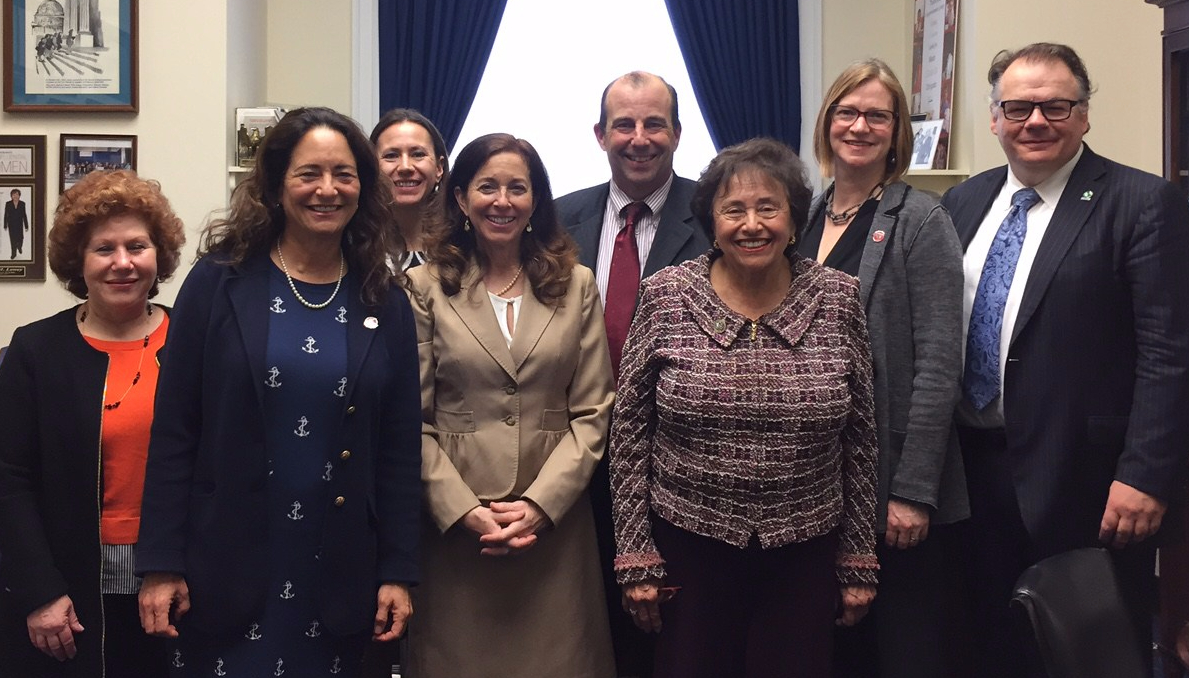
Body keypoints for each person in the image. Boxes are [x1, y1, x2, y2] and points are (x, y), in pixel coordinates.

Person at [135, 107, 423, 678]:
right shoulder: (218, 282)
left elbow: (398, 451)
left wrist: (397, 571)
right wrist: (161, 564)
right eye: (308, 173)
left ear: (363, 188)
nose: (327, 189)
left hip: (338, 574)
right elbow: (174, 429)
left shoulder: (384, 300)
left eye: (344, 174)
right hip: (224, 568)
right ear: (274, 184)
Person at [940, 43, 1189, 677]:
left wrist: (1144, 476)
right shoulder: (964, 203)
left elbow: (1170, 354)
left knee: (1086, 650)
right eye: (1018, 107)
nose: (1036, 121)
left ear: (1083, 116)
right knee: (985, 640)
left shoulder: (1142, 203)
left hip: (1086, 480)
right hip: (971, 470)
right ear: (994, 118)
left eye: (1056, 105)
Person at [611, 137, 879, 678]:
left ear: (795, 219)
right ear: (711, 220)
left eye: (768, 208)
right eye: (733, 209)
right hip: (689, 543)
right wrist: (635, 553)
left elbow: (861, 436)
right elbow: (630, 430)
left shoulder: (838, 297)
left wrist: (858, 557)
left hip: (805, 551)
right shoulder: (666, 293)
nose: (751, 224)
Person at [406, 133, 615, 678]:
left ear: (536, 200)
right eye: (487, 187)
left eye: (517, 188)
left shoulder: (577, 285)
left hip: (554, 532)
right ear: (459, 199)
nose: (502, 201)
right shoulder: (422, 287)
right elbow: (411, 420)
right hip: (458, 535)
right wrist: (463, 510)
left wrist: (541, 507)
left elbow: (593, 412)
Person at [803, 59, 969, 678]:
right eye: (847, 112)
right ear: (827, 122)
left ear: (897, 130)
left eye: (877, 115)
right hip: (821, 474)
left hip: (891, 481)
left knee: (900, 648)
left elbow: (938, 364)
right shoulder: (805, 216)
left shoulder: (921, 220)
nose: (860, 126)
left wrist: (914, 490)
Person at [0, 169, 186, 677]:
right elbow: (9, 480)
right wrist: (39, 592)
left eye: (137, 246)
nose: (122, 263)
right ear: (77, 262)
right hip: (66, 591)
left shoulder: (195, 341)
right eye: (104, 249)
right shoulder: (34, 350)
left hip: (178, 583)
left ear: (159, 255)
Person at [554, 69, 709, 677]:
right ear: (600, 134)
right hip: (576, 454)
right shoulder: (558, 220)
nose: (639, 138)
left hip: (683, 463)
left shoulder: (717, 214)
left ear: (676, 133)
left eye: (654, 124)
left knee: (676, 632)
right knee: (588, 623)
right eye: (624, 124)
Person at [369, 108, 449, 271]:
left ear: (439, 168)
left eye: (418, 154)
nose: (405, 167)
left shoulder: (463, 248)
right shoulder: (354, 249)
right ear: (373, 168)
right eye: (391, 155)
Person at [4, 187, 29, 258]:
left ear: (19, 195)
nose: (15, 196)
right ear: (11, 196)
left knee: (21, 238)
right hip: (11, 225)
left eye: (17, 194)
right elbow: (6, 214)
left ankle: (19, 247)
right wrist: (5, 225)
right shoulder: (8, 204)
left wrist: (26, 225)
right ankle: (13, 253)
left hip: (19, 224)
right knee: (13, 239)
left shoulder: (22, 204)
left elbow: (24, 215)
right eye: (13, 195)